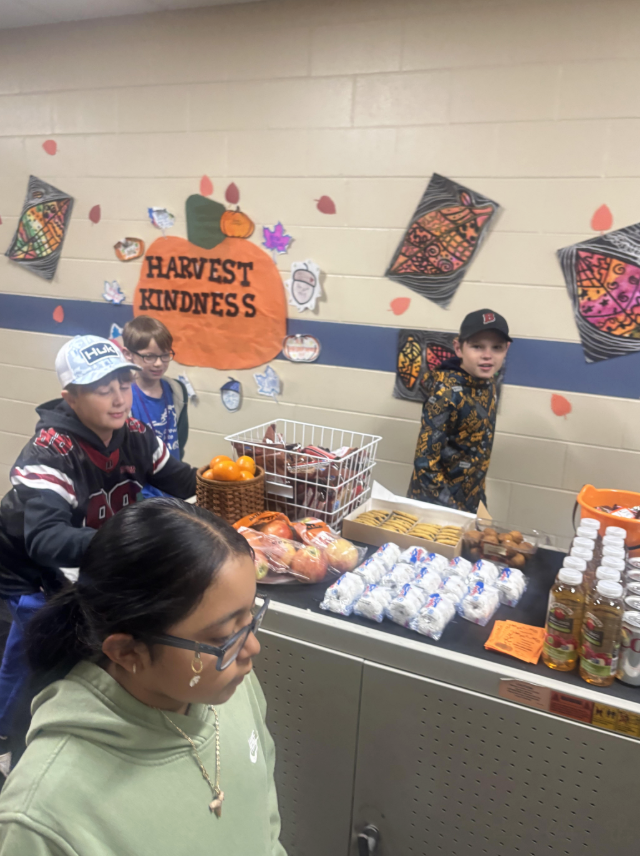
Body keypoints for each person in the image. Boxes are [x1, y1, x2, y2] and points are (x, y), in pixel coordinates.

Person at [0, 499, 286, 856]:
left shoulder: (228, 686)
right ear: (128, 652)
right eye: (223, 637)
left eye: (250, 617)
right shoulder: (43, 818)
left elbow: (264, 820)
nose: (252, 648)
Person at [0, 335, 197, 761]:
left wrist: (232, 475)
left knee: (68, 638)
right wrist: (127, 542)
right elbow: (45, 540)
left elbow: (183, 481)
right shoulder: (50, 452)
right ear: (70, 397)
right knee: (38, 648)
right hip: (27, 570)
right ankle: (10, 739)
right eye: (102, 389)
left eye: (124, 385)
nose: (119, 398)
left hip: (83, 559)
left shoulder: (136, 435)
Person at [408, 309, 511, 514]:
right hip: (436, 507)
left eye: (497, 347)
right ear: (458, 348)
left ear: (506, 349)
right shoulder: (444, 394)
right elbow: (425, 463)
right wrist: (454, 512)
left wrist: (479, 504)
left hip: (471, 502)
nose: (487, 355)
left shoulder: (488, 383)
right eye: (477, 346)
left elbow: (477, 451)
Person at [122, 316, 190, 499]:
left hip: (172, 492)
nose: (159, 363)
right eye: (149, 356)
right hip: (138, 496)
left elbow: (180, 441)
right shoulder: (123, 397)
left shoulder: (177, 391)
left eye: (165, 355)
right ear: (128, 354)